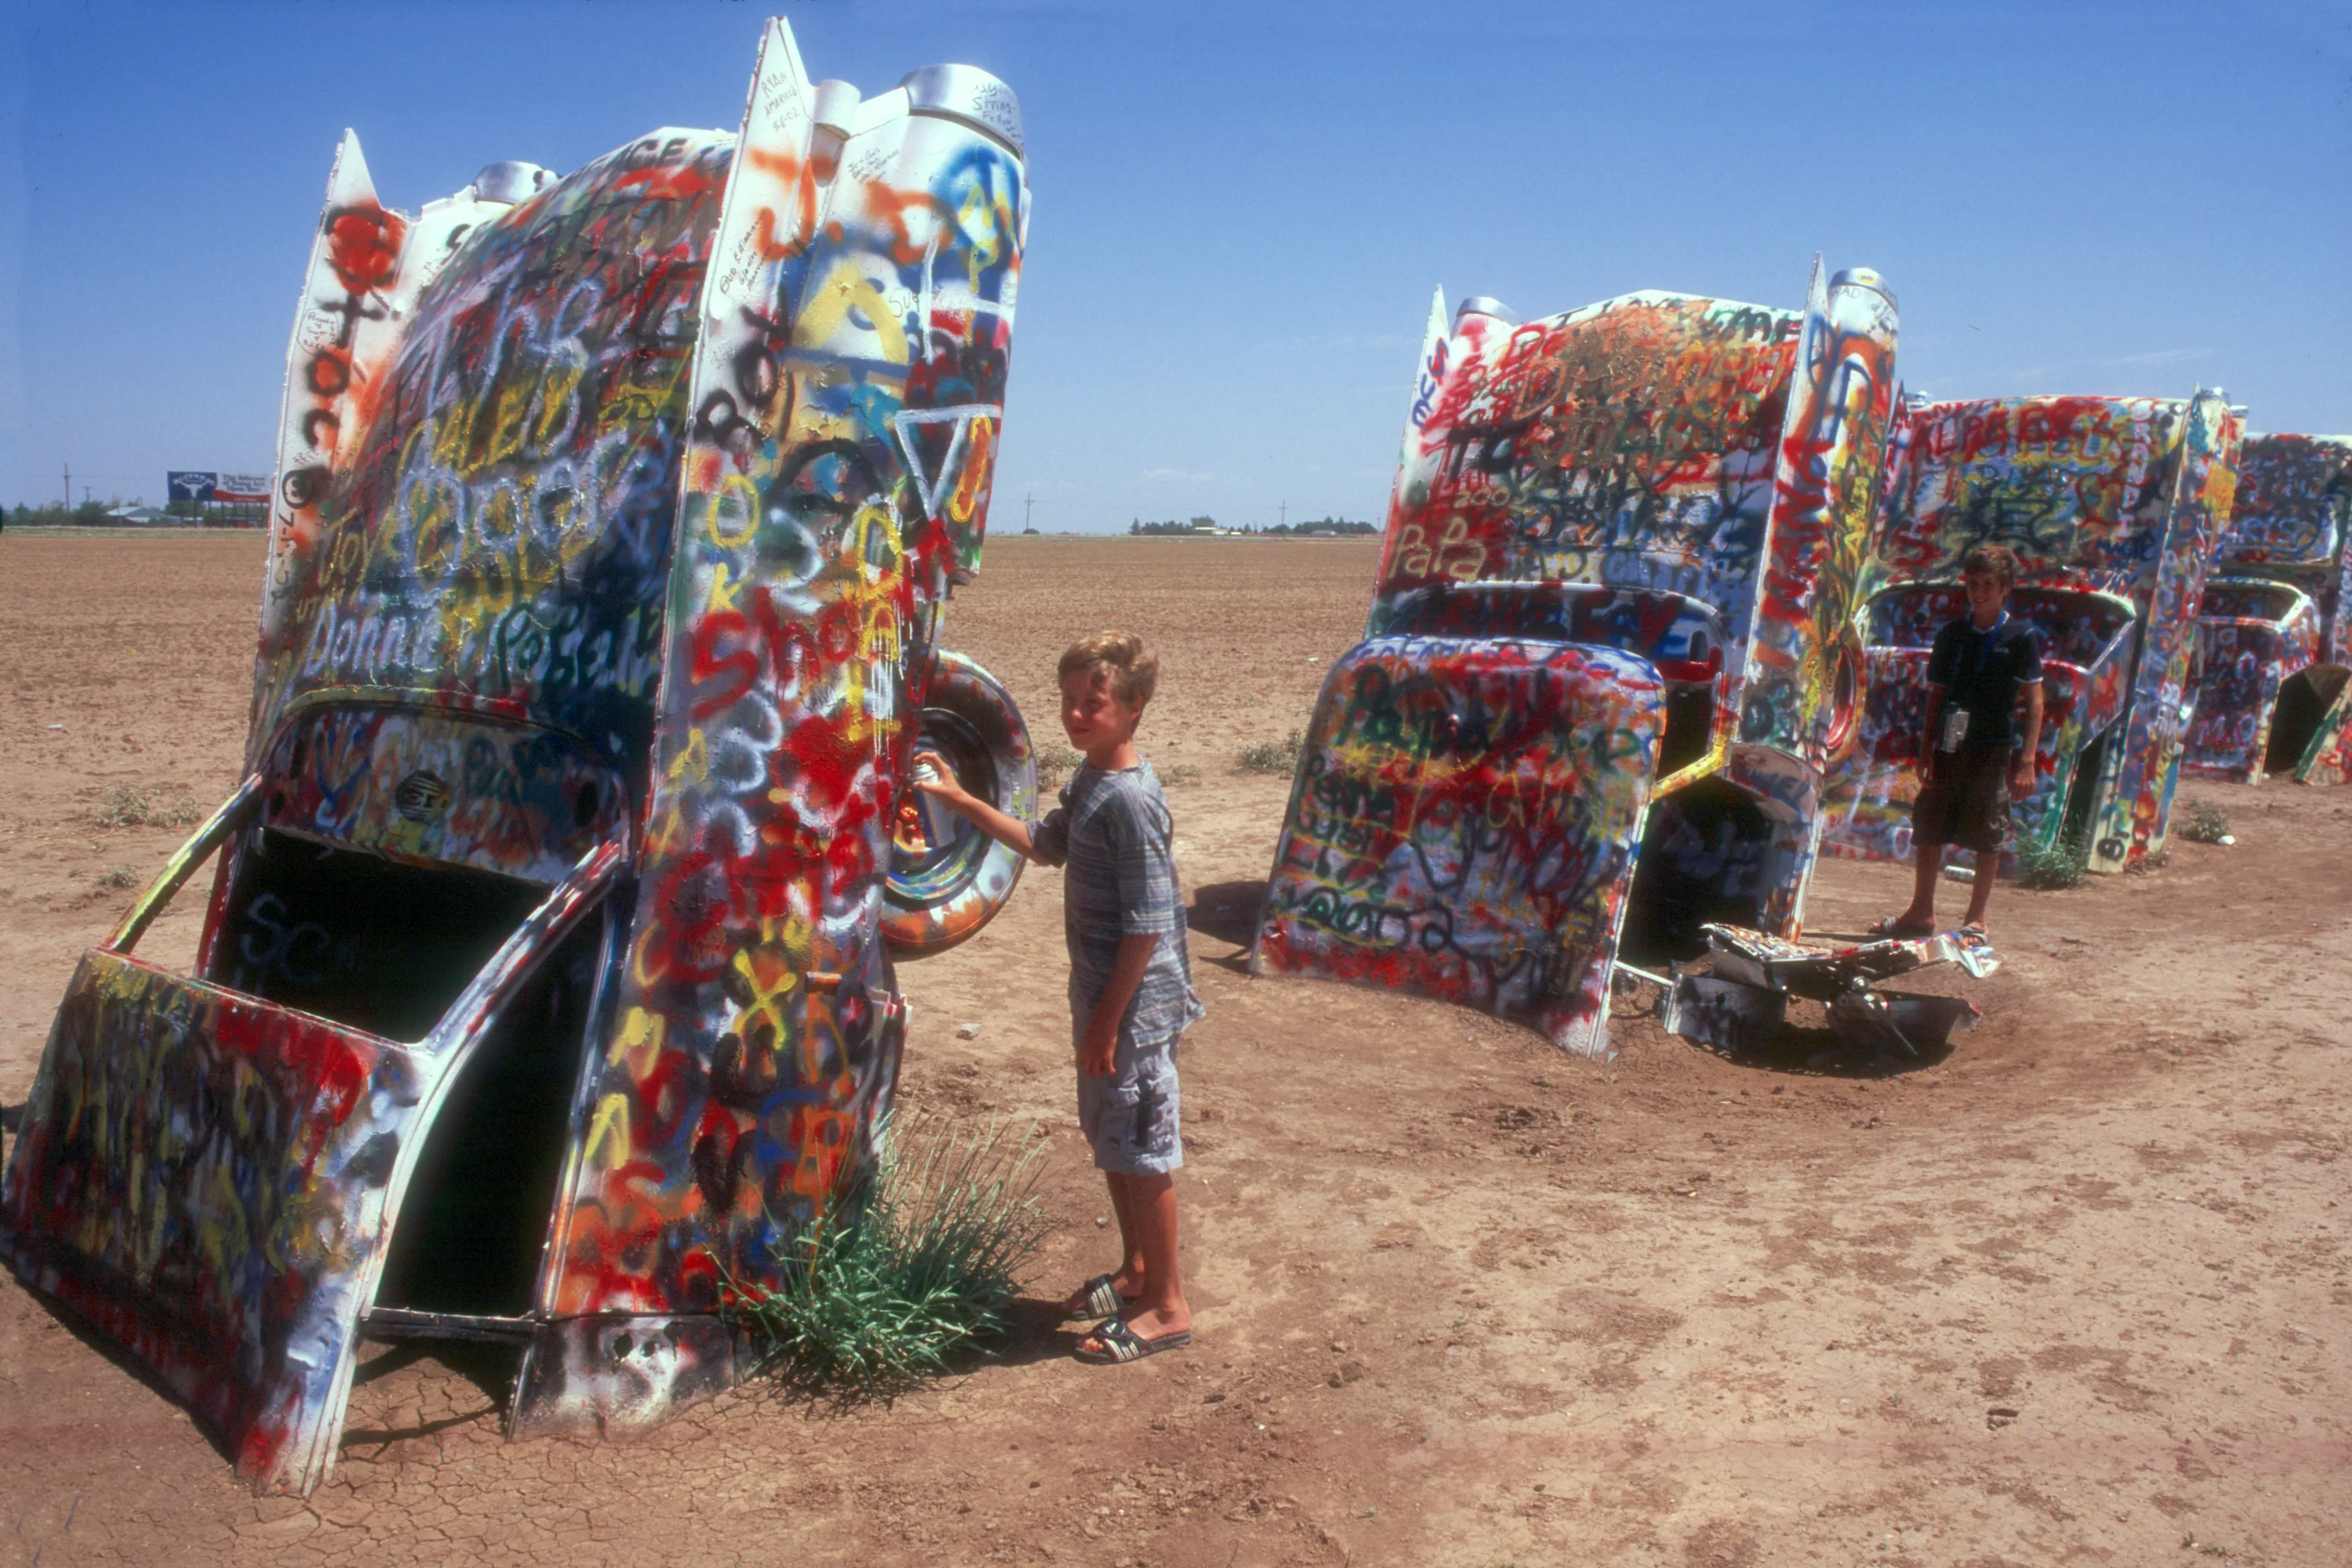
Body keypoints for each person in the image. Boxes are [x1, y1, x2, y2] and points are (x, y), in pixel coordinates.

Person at [913, 630, 1204, 1364]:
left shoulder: (1131, 802)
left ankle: (1169, 1305)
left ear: (1135, 708)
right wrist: (957, 797)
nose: (1077, 715)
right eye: (1069, 702)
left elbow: (1147, 928)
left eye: (1094, 703)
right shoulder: (1090, 779)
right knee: (1112, 1135)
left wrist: (1107, 1024)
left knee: (1143, 1145)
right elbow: (1044, 846)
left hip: (1132, 1001)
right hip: (1104, 994)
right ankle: (1137, 1271)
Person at [1884, 543, 2045, 935]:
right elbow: (1936, 696)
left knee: (1988, 828)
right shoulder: (1952, 634)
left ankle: (1976, 920)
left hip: (1992, 748)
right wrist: (1926, 750)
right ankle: (1922, 912)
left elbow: (2035, 702)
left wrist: (2027, 760)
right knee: (1930, 823)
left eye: (1989, 584)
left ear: (2005, 588)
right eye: (1973, 583)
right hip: (1948, 744)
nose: (1980, 591)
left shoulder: (2020, 636)